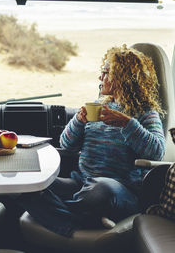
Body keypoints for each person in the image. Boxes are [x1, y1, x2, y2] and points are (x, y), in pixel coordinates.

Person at [12, 44, 165, 237]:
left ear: (124, 77)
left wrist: (127, 124)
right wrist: (78, 121)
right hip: (81, 185)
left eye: (105, 72)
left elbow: (157, 152)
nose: (100, 78)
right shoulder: (97, 107)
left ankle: (62, 215)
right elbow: (66, 145)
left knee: (101, 188)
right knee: (29, 186)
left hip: (119, 190)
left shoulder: (146, 113)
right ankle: (85, 219)